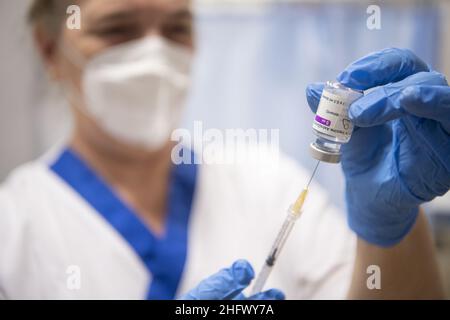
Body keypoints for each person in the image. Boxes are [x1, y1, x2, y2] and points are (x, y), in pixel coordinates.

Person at [0, 0, 447, 300]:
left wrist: (391, 226)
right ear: (50, 49)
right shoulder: (15, 227)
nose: (155, 54)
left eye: (176, 28)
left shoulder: (265, 178)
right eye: (117, 30)